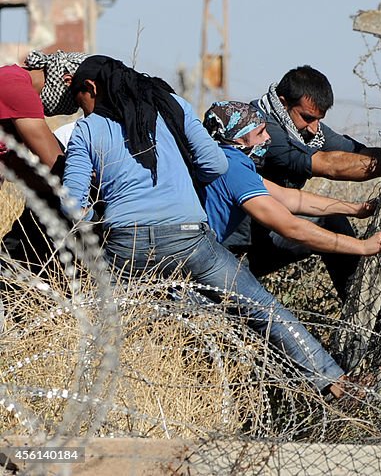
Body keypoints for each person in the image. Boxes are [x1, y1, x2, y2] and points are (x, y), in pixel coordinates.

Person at [62, 56, 352, 399]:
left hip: (127, 241)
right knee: (261, 308)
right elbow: (214, 163)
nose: (81, 110)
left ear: (92, 89)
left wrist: (106, 209)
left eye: (79, 101)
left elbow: (71, 205)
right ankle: (333, 382)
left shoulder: (88, 129)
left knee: (127, 321)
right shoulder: (171, 108)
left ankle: (124, 395)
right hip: (189, 237)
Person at [201, 101, 381, 280]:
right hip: (214, 263)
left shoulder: (231, 161)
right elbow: (291, 227)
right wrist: (362, 247)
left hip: (219, 256)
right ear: (238, 139)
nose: (267, 138)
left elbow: (288, 197)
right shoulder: (233, 170)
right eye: (260, 133)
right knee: (274, 317)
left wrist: (356, 209)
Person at [247, 65, 381, 299]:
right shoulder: (263, 131)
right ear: (283, 103)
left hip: (271, 224)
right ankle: (358, 306)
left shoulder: (304, 128)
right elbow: (330, 165)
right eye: (308, 118)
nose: (314, 129)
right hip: (239, 244)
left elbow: (357, 153)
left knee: (329, 218)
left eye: (319, 120)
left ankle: (358, 305)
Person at [0, 50, 85, 267]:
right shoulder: (16, 90)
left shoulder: (10, 80)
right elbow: (57, 165)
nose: (73, 107)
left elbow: (15, 166)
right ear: (67, 80)